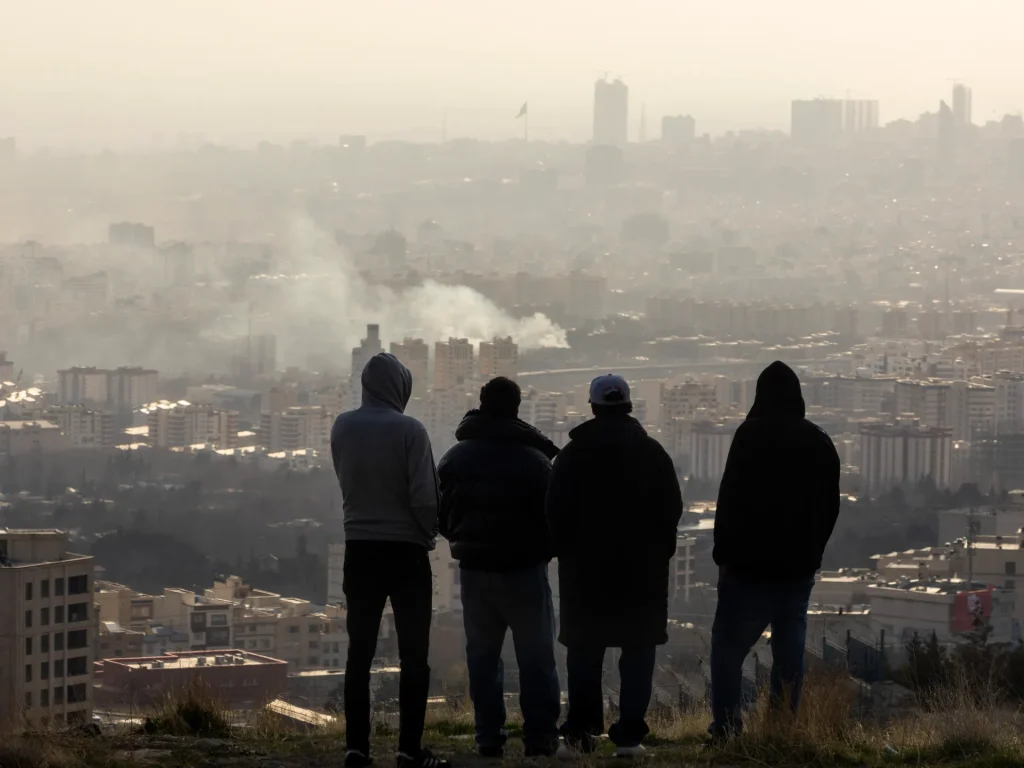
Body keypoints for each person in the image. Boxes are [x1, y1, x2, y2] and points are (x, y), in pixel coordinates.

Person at [546, 374, 683, 758]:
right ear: (628, 406)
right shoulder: (653, 453)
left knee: (584, 653)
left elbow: (554, 511)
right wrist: (659, 554)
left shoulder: (572, 456)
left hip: (585, 574)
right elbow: (671, 510)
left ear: (592, 407)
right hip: (642, 576)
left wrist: (567, 552)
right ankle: (629, 739)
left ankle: (580, 735)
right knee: (638, 652)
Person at [709, 361, 841, 741]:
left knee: (728, 652)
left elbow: (729, 498)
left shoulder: (749, 436)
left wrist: (723, 559)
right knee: (789, 657)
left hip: (749, 568)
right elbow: (830, 506)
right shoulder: (818, 440)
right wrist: (813, 552)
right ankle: (782, 730)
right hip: (797, 570)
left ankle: (727, 730)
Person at [331, 352, 449, 768]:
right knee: (413, 654)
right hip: (405, 553)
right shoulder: (410, 430)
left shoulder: (342, 426)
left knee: (358, 654)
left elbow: (346, 479)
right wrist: (427, 533)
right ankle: (407, 749)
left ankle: (356, 749)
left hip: (359, 549)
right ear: (401, 387)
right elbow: (424, 496)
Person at [437, 377, 561, 758]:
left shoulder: (455, 458)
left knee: (483, 656)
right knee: (536, 656)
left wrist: (464, 541)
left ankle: (488, 736)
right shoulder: (537, 462)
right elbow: (555, 520)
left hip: (475, 572)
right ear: (517, 408)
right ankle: (540, 738)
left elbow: (441, 517)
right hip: (524, 571)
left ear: (482, 403)